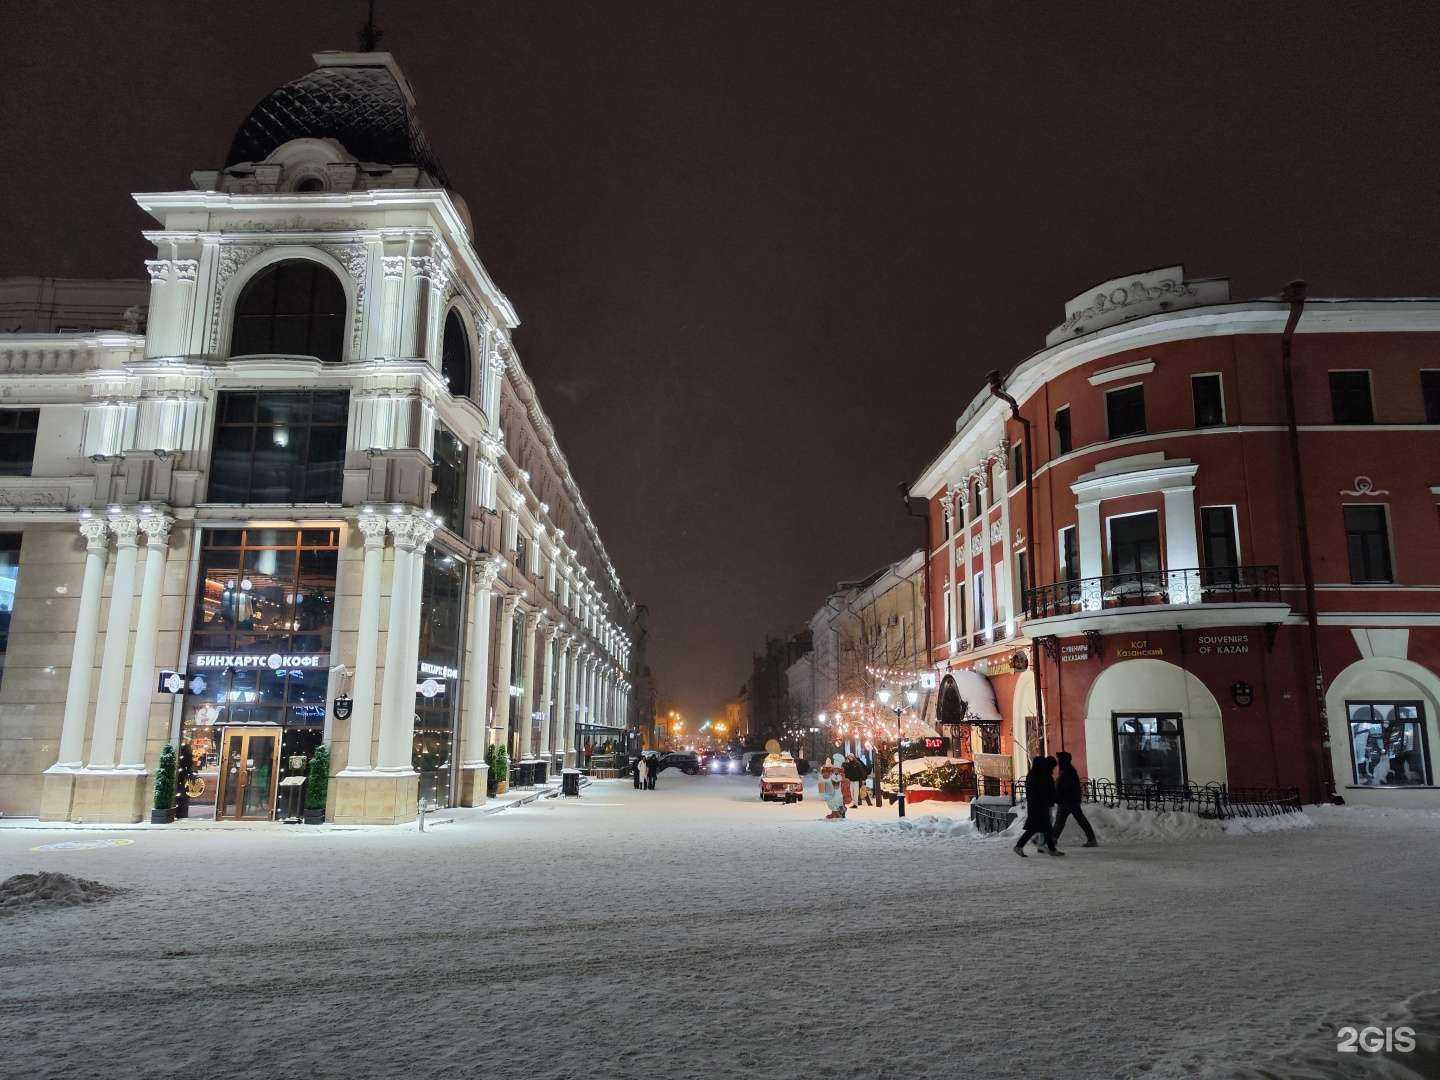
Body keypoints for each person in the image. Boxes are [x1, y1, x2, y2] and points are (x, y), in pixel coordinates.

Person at [1014, 755, 1063, 856]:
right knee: (1037, 828)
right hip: (1039, 805)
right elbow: (1044, 791)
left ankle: (1051, 849)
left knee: (1045, 828)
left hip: (1037, 805)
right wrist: (1051, 799)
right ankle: (1019, 846)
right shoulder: (1038, 776)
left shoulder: (1035, 774)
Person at [1052, 750, 1098, 847]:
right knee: (1061, 821)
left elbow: (1063, 787)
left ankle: (1092, 839)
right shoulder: (1067, 770)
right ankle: (1053, 839)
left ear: (1063, 760)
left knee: (1077, 820)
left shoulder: (1067, 771)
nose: (1058, 761)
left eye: (1059, 759)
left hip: (1069, 800)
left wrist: (1057, 794)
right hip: (1067, 800)